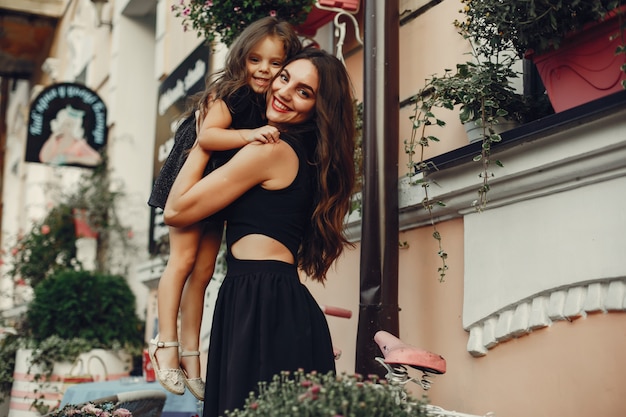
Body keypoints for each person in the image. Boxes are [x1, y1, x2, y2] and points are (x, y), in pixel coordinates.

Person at [164, 47, 356, 417]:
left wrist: (206, 138)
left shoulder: (271, 150)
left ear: (319, 108)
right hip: (269, 299)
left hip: (260, 304)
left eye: (304, 91)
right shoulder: (308, 154)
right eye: (284, 78)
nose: (283, 91)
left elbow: (176, 209)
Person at [147, 17, 302, 401]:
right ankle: (165, 345)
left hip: (221, 187)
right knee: (181, 262)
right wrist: (250, 135)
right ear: (241, 58)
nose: (264, 70)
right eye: (255, 59)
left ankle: (192, 357)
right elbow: (208, 136)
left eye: (275, 63)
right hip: (190, 175)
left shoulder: (267, 101)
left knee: (202, 272)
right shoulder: (227, 92)